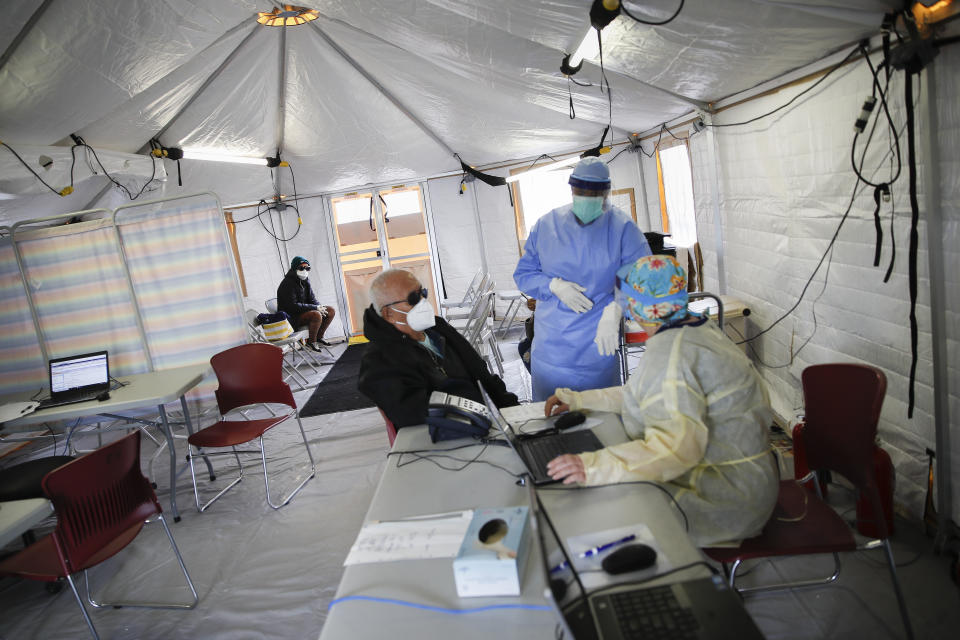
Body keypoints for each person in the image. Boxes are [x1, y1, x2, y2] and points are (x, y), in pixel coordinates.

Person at [544, 255, 778, 546]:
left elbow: (675, 447)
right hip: (742, 479)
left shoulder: (672, 351)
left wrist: (592, 466)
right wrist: (579, 400)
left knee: (600, 513)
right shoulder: (694, 326)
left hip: (722, 496)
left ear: (639, 307)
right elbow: (647, 391)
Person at [513, 157, 650, 401]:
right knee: (551, 429)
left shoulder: (623, 229)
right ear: (572, 188)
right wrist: (552, 286)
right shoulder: (546, 226)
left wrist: (617, 309)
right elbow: (524, 275)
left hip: (597, 350)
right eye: (581, 191)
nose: (587, 197)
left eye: (594, 193)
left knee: (603, 426)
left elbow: (642, 279)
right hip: (552, 353)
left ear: (606, 192)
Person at [358, 268, 519, 428]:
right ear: (389, 314)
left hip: (483, 421)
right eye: (413, 298)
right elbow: (412, 412)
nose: (423, 301)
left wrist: (512, 410)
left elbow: (481, 373)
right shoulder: (378, 360)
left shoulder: (438, 327)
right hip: (448, 436)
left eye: (423, 293)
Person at [276, 256, 336, 352]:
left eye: (307, 268)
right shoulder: (287, 284)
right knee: (316, 314)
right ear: (294, 268)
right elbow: (293, 306)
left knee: (330, 310)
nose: (305, 270)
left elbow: (312, 299)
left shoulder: (305, 280)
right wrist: (315, 308)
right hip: (291, 318)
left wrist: (319, 306)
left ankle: (319, 338)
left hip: (302, 313)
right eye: (301, 268)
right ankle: (311, 342)